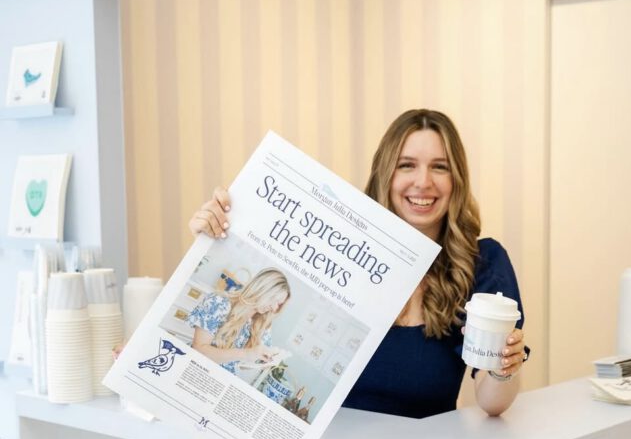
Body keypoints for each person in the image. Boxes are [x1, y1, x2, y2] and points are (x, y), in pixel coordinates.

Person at [189, 109, 526, 417]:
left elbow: (492, 403)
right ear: (385, 174)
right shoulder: (337, 250)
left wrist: (504, 368)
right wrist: (215, 233)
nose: (423, 182)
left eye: (440, 166)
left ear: (457, 180)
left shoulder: (481, 264)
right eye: (406, 165)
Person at [187, 268, 290, 377]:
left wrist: (264, 359)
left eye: (279, 304)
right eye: (274, 300)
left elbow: (243, 365)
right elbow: (199, 350)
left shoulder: (262, 324)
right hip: (197, 372)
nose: (274, 308)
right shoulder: (218, 302)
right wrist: (246, 354)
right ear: (261, 289)